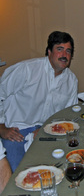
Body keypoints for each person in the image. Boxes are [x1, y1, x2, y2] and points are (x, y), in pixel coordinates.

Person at [0, 31, 78, 172]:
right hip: (16, 131)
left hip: (47, 133)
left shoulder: (71, 80)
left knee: (58, 172)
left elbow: (67, 116)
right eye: (59, 49)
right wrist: (1, 128)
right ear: (49, 51)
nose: (64, 55)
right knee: (16, 176)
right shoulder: (27, 70)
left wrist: (46, 129)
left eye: (68, 51)